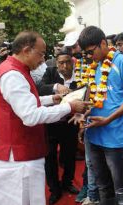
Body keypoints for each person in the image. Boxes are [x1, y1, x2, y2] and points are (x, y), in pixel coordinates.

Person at [0, 31, 89, 205]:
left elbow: (24, 102)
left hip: (19, 154)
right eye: (41, 54)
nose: (42, 60)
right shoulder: (13, 75)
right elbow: (30, 115)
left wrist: (51, 99)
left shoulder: (15, 69)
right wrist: (69, 107)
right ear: (26, 50)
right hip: (17, 158)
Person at [78, 26, 123, 205]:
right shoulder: (95, 65)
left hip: (115, 136)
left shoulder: (122, 62)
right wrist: (84, 113)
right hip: (94, 135)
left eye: (91, 51)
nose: (89, 56)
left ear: (103, 43)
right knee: (102, 185)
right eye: (86, 53)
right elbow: (99, 99)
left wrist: (108, 119)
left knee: (120, 187)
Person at [38, 47, 80, 204]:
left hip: (71, 122)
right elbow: (39, 89)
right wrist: (56, 86)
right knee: (50, 157)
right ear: (56, 63)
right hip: (52, 123)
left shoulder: (81, 75)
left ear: (73, 61)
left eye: (67, 62)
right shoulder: (50, 73)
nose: (64, 66)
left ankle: (67, 182)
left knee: (69, 155)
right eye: (61, 63)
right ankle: (54, 189)